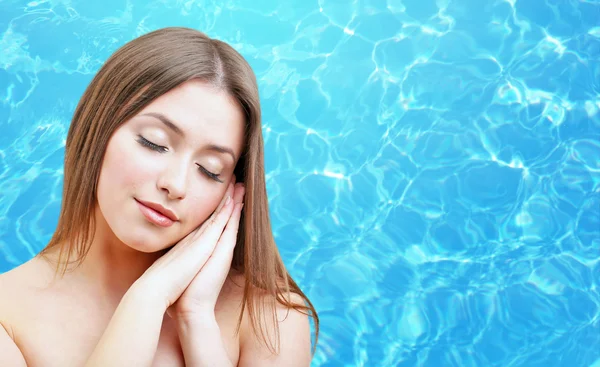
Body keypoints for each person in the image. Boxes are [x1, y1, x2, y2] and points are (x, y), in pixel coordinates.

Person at [0, 27, 318, 366]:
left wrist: (196, 321)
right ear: (97, 128)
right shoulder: (9, 315)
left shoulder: (270, 319)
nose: (176, 184)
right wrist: (147, 299)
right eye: (154, 142)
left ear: (232, 188)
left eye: (210, 169)